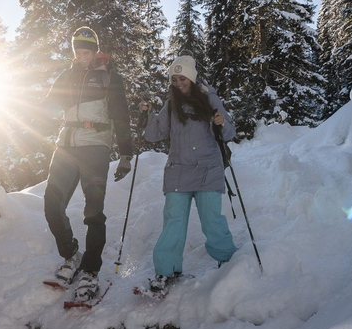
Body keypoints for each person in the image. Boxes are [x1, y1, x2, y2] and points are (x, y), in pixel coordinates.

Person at [43, 26, 133, 301]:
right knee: (51, 204)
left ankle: (91, 271)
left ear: (95, 51)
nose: (81, 56)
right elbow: (48, 107)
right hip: (66, 144)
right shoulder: (66, 77)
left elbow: (121, 116)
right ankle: (72, 255)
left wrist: (126, 154)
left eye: (86, 50)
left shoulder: (108, 77)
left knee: (93, 211)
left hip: (95, 145)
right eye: (77, 51)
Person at [140, 54, 238, 293]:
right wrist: (147, 115)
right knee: (173, 222)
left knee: (212, 221)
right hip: (179, 171)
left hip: (208, 169)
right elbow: (153, 135)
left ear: (192, 78)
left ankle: (229, 264)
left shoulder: (209, 98)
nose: (178, 83)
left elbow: (230, 133)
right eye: (174, 79)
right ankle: (166, 271)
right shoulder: (171, 104)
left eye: (182, 78)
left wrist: (221, 122)